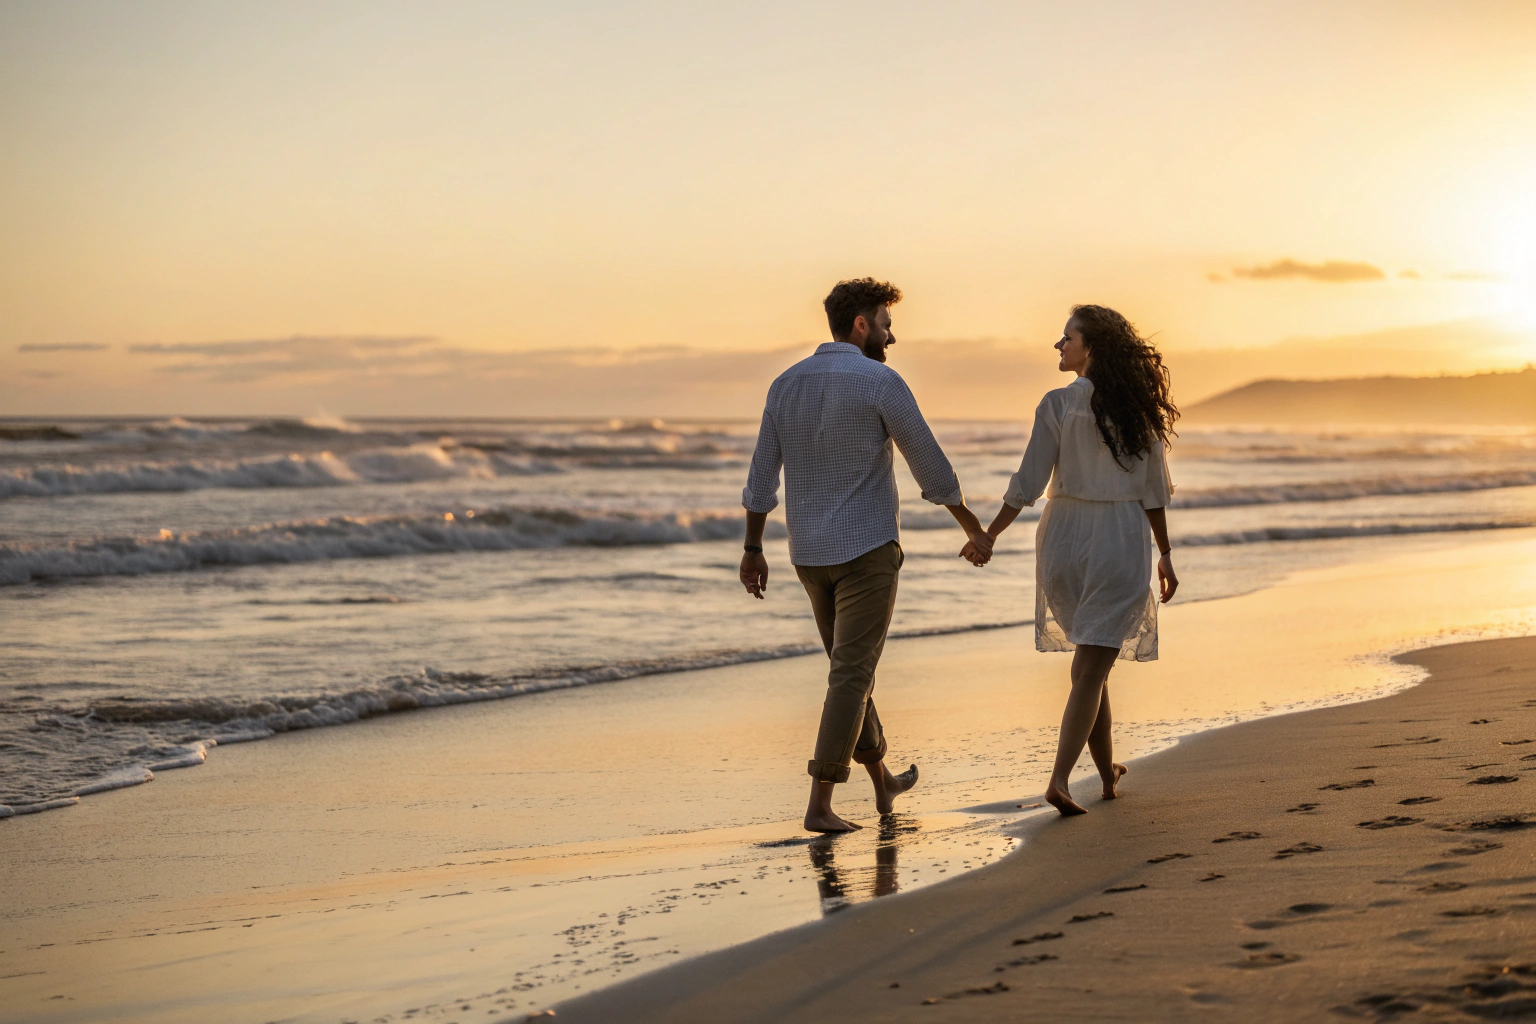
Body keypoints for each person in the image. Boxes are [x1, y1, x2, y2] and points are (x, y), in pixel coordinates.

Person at [740, 278, 993, 833]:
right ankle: (820, 803)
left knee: (848, 671)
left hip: (807, 554)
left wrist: (753, 547)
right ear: (861, 325)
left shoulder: (785, 384)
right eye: (885, 323)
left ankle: (884, 786)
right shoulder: (880, 381)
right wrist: (973, 526)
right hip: (867, 551)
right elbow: (929, 465)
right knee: (851, 675)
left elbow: (762, 478)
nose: (891, 335)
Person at [968, 305, 1180, 816]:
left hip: (1061, 539)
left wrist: (989, 534)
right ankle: (1060, 780)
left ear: (1092, 348)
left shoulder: (1058, 404)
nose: (1059, 346)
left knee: (1091, 666)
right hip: (1116, 539)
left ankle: (1107, 775)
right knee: (1091, 666)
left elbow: (1027, 483)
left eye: (1067, 339)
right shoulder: (1138, 411)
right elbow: (1154, 494)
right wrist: (1166, 554)